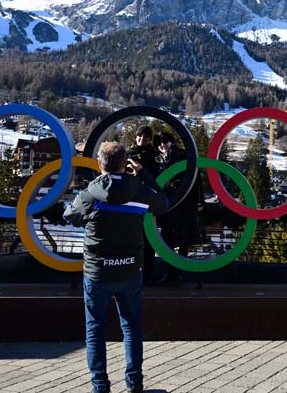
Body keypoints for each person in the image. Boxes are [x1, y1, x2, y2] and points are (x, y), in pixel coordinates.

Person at [64, 142, 167, 393]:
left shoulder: (90, 193)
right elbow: (163, 203)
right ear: (125, 164)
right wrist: (142, 173)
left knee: (95, 328)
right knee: (131, 326)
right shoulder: (139, 190)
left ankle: (100, 386)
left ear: (101, 164)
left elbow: (70, 216)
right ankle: (134, 382)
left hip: (97, 272)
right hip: (131, 270)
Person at [154, 131, 204, 283]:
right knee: (168, 238)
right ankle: (173, 272)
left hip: (183, 202)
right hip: (167, 203)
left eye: (165, 141)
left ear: (171, 141)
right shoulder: (158, 158)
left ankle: (176, 273)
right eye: (160, 143)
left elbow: (196, 178)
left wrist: (199, 201)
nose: (163, 145)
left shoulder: (182, 155)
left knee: (182, 238)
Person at [128, 125, 162, 284]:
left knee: (149, 242)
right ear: (136, 137)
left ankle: (148, 275)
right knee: (130, 241)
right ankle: (131, 274)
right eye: (140, 136)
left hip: (148, 203)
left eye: (146, 137)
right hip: (129, 203)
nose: (142, 139)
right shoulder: (128, 154)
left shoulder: (155, 155)